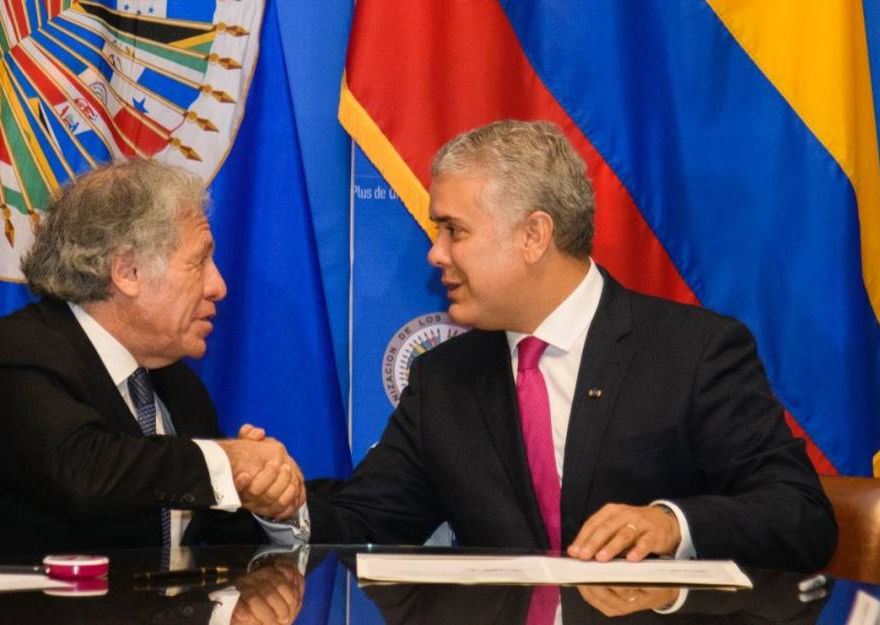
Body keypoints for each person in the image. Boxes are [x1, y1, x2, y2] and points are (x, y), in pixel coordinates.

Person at [306, 120, 836, 571]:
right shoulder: (443, 379)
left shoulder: (696, 353)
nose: (435, 254)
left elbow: (800, 514)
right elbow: (364, 523)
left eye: (453, 230)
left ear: (534, 236)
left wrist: (671, 523)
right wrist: (280, 504)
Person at [0, 159, 304, 558]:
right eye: (199, 261)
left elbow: (206, 511)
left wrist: (265, 497)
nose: (219, 286)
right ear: (127, 271)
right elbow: (85, 474)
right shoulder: (12, 357)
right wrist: (228, 459)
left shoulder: (177, 383)